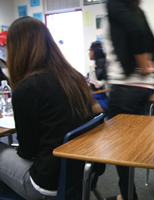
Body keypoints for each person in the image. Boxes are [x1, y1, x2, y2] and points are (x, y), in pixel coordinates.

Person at [0, 16, 97, 200]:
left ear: (15, 49)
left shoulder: (27, 88)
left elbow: (27, 151)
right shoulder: (74, 77)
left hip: (47, 184)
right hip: (82, 174)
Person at [103, 0, 154, 199]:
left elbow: (137, 34)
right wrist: (147, 66)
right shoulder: (137, 11)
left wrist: (143, 66)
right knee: (135, 148)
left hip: (125, 89)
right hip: (144, 89)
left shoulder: (115, 6)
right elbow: (152, 41)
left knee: (121, 152)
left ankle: (127, 197)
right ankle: (127, 195)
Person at [88, 40, 108, 114]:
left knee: (81, 110)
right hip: (95, 98)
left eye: (89, 50)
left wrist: (91, 68)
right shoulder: (99, 65)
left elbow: (94, 84)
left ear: (94, 51)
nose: (89, 53)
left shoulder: (100, 66)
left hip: (103, 99)